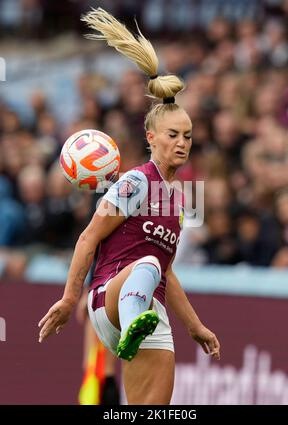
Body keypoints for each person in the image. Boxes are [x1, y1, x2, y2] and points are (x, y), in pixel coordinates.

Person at [38, 8, 221, 405]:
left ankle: (141, 320)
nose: (183, 143)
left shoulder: (178, 201)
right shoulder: (136, 182)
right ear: (151, 138)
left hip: (149, 305)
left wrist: (196, 327)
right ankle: (135, 316)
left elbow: (168, 277)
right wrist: (70, 299)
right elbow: (89, 237)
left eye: (188, 136)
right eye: (173, 134)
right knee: (147, 265)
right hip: (109, 299)